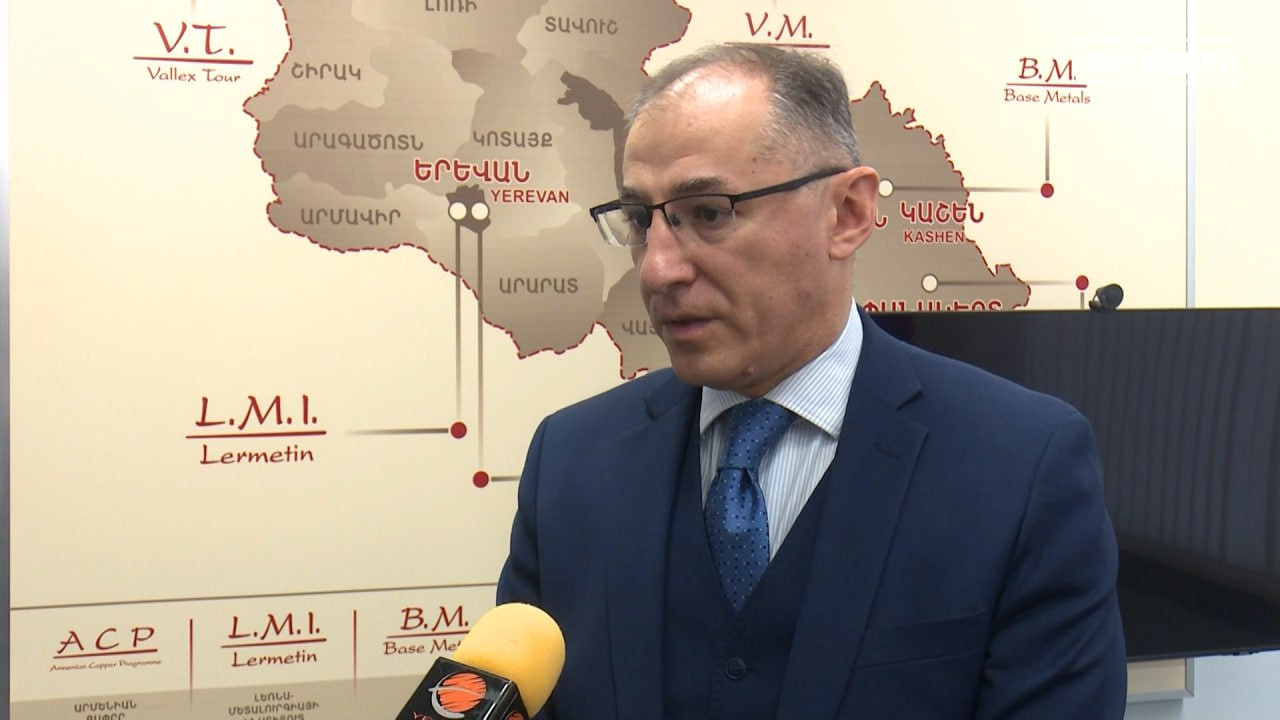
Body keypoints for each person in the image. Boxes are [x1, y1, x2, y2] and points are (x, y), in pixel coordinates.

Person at [497, 43, 1127, 719]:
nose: (656, 269)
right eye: (640, 220)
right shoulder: (571, 462)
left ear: (847, 213)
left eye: (708, 212)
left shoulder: (1021, 466)